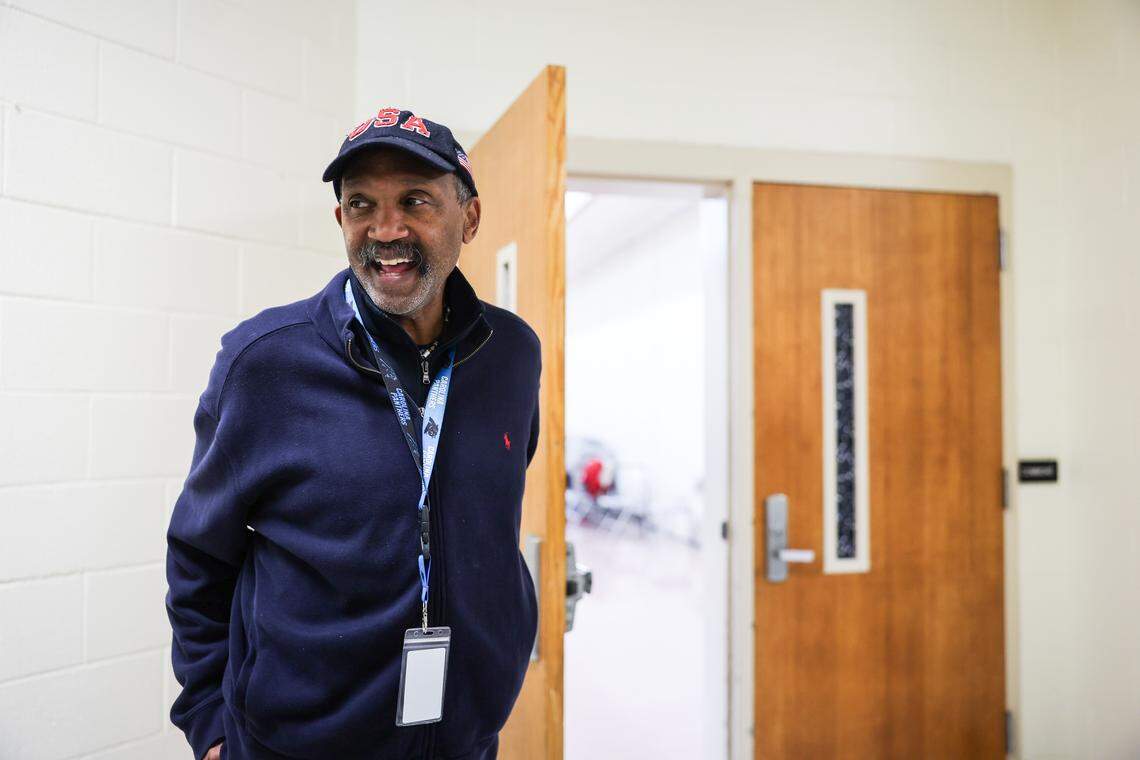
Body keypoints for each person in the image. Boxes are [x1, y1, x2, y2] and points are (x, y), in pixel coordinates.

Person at [166, 109, 541, 760]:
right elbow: (199, 555)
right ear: (340, 221)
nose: (386, 229)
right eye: (361, 203)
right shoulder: (265, 363)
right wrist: (210, 726)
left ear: (469, 219)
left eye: (415, 201)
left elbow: (491, 517)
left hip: (466, 741)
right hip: (297, 745)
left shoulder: (511, 353)